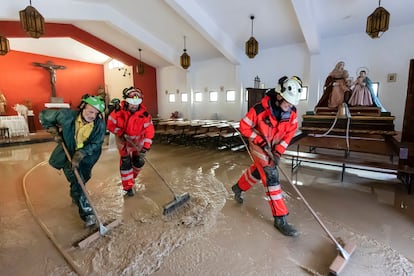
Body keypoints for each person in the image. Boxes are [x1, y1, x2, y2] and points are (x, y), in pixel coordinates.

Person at [232, 76, 302, 237]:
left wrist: (278, 152)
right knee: (270, 175)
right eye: (287, 102)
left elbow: (288, 135)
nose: (290, 106)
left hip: (273, 147)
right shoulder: (259, 110)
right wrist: (258, 140)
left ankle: (238, 187)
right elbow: (244, 126)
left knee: (259, 171)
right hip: (258, 145)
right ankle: (280, 219)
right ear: (279, 96)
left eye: (292, 103)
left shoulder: (291, 114)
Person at [39, 95, 106, 228]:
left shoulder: (99, 124)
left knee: (84, 178)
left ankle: (75, 194)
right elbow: (44, 115)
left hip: (87, 156)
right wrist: (52, 130)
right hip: (67, 154)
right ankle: (88, 214)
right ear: (82, 107)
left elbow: (97, 143)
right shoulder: (66, 115)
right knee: (78, 182)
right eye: (90, 111)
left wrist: (81, 153)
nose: (92, 115)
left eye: (96, 113)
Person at [106, 87, 155, 197]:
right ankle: (128, 187)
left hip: (139, 142)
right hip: (123, 141)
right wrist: (121, 133)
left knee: (139, 162)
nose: (134, 105)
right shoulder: (118, 113)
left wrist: (146, 147)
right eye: (132, 102)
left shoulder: (145, 115)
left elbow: (149, 131)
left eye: (137, 102)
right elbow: (110, 125)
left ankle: (132, 178)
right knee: (126, 162)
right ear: (126, 101)